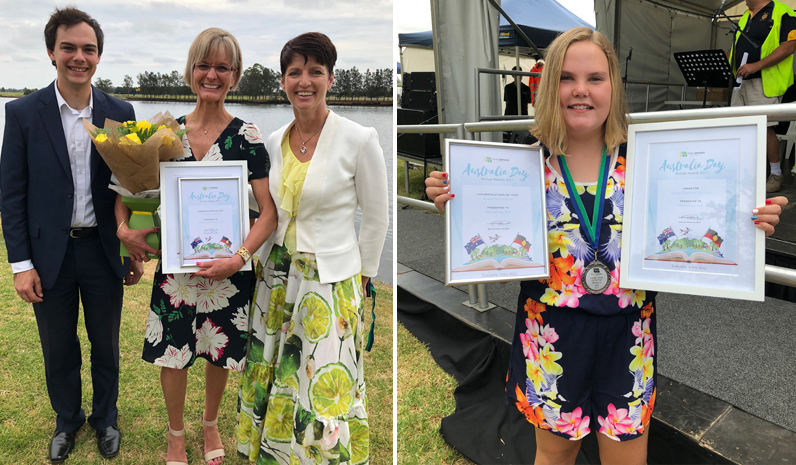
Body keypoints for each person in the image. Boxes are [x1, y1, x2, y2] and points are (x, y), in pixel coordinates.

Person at [426, 27, 787, 465]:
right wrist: (460, 208)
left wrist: (749, 220)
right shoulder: (518, 168)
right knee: (555, 454)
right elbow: (489, 240)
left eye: (595, 78)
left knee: (626, 460)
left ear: (613, 86)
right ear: (547, 86)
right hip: (551, 338)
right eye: (566, 78)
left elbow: (707, 222)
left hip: (628, 336)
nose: (581, 91)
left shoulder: (649, 164)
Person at [115, 28, 277, 465]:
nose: (212, 74)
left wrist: (239, 258)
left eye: (222, 67)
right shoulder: (164, 133)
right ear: (191, 71)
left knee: (216, 350)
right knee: (173, 353)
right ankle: (175, 434)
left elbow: (268, 213)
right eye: (204, 65)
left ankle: (209, 424)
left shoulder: (250, 136)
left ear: (235, 75)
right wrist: (123, 228)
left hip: (228, 268)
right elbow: (126, 189)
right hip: (176, 269)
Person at [235, 32, 388, 465]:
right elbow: (258, 209)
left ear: (330, 79)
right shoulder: (272, 141)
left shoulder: (360, 139)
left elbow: (376, 217)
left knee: (322, 377)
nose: (305, 81)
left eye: (315, 71)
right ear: (283, 81)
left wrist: (361, 278)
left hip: (329, 279)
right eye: (294, 72)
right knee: (273, 370)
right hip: (276, 275)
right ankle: (274, 452)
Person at [0, 6, 143, 463]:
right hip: (48, 256)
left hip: (103, 252)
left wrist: (134, 248)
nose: (78, 57)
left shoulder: (121, 112)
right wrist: (21, 265)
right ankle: (68, 420)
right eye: (69, 48)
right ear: (51, 52)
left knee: (106, 343)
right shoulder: (22, 113)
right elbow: (12, 194)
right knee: (58, 347)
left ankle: (106, 418)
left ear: (98, 56)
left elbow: (134, 186)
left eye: (88, 49)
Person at [730, 0, 796, 192]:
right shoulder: (744, 16)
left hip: (764, 81)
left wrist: (756, 65)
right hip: (740, 81)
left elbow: (790, 46)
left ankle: (776, 174)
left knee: (765, 128)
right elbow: (736, 47)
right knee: (740, 127)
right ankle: (744, 172)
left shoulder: (782, 11)